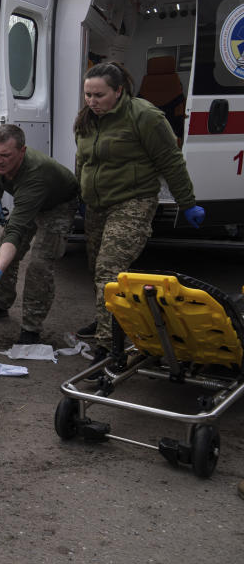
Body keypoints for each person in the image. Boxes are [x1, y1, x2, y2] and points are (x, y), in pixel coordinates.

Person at [73, 62, 205, 367]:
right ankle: (108, 319)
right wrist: (82, 194)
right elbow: (84, 159)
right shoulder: (87, 119)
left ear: (119, 91)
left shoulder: (144, 117)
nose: (92, 101)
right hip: (97, 205)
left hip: (132, 202)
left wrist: (187, 203)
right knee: (97, 270)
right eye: (87, 94)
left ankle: (108, 347)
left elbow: (171, 161)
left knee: (109, 270)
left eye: (99, 95)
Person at [0, 124, 79, 345]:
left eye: (6, 155)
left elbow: (16, 230)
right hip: (30, 200)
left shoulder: (35, 174)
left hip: (57, 205)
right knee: (4, 250)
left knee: (39, 265)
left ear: (22, 151)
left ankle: (31, 326)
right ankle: (1, 304)